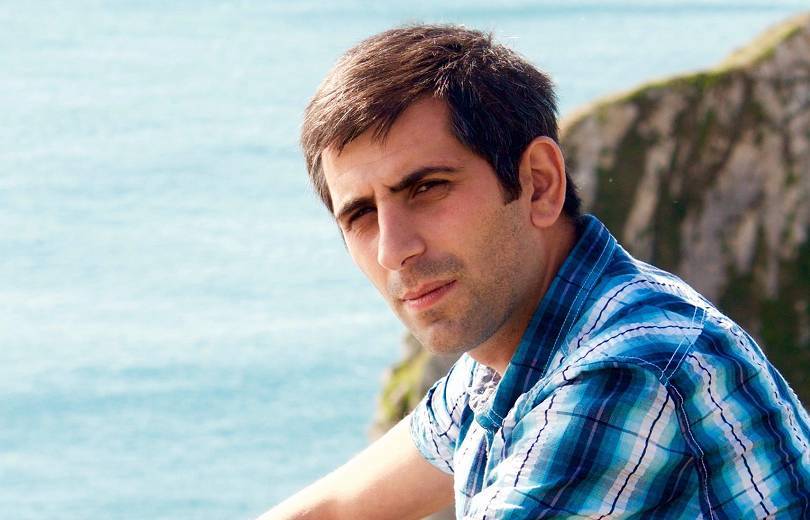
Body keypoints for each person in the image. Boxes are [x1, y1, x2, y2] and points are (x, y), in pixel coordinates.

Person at [258, 24, 810, 519]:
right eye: (360, 215)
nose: (392, 250)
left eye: (427, 188)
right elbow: (332, 510)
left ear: (539, 184)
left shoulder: (625, 373)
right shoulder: (507, 359)